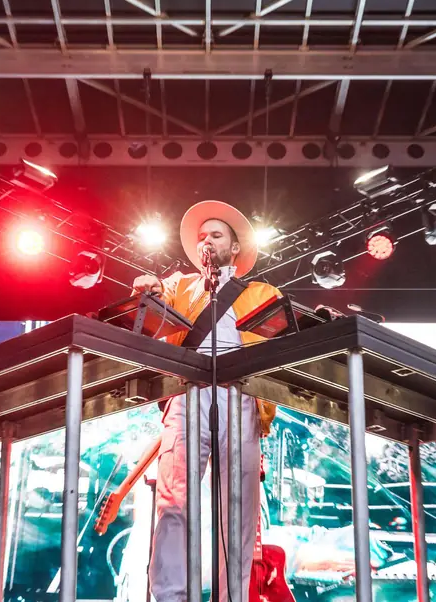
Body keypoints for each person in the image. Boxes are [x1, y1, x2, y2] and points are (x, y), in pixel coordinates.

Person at [132, 201, 282, 602]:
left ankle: (232, 597)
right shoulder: (178, 286)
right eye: (202, 236)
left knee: (239, 512)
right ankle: (170, 597)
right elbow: (150, 312)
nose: (207, 241)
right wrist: (146, 291)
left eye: (216, 235)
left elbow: (285, 341)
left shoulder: (264, 293)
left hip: (243, 395)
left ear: (234, 248)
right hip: (188, 393)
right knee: (174, 500)